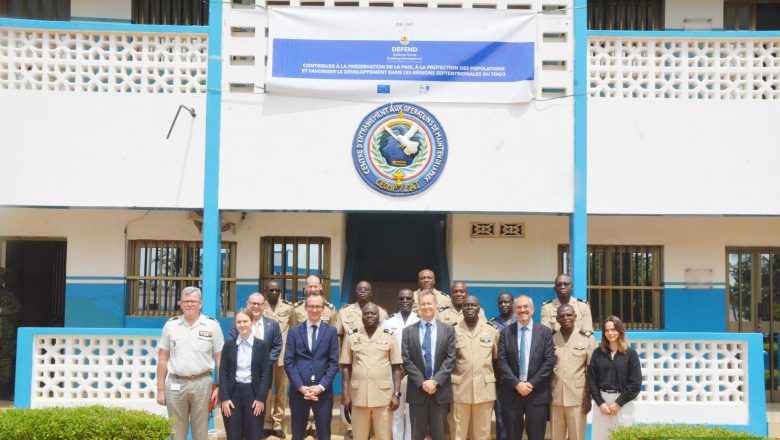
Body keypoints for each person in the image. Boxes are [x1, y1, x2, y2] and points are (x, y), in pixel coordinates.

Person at [157, 286, 224, 440]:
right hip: (175, 383)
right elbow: (163, 359)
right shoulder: (171, 325)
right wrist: (160, 390)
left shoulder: (212, 325)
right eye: (186, 301)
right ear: (180, 303)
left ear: (200, 303)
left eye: (193, 301)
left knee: (200, 432)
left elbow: (220, 359)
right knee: (176, 431)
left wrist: (221, 386)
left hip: (202, 383)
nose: (189, 304)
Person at [341, 303, 403, 440]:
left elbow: (396, 368)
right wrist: (345, 393)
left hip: (383, 398)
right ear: (362, 316)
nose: (369, 316)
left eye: (373, 313)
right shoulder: (351, 336)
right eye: (366, 313)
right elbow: (346, 367)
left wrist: (396, 394)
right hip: (358, 397)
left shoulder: (389, 336)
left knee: (383, 436)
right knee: (359, 436)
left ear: (379, 316)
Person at [497, 295, 555, 440]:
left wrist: (531, 384)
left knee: (537, 436)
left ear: (532, 310)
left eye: (525, 307)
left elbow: (549, 362)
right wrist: (517, 384)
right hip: (512, 393)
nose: (522, 310)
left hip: (537, 393)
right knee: (512, 436)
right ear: (514, 311)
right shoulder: (506, 333)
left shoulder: (544, 332)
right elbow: (502, 362)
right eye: (519, 307)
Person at [401, 289, 456, 440]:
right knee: (416, 435)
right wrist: (422, 382)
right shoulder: (408, 331)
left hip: (440, 392)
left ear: (436, 305)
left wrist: (435, 381)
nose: (426, 307)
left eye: (429, 303)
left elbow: (450, 358)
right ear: (418, 306)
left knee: (439, 435)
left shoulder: (448, 330)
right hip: (417, 391)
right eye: (423, 304)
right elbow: (406, 360)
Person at [284, 293, 339, 440]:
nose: (314, 310)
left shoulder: (331, 331)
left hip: (323, 393)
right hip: (299, 392)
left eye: (318, 306)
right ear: (306, 308)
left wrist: (321, 387)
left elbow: (334, 363)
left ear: (323, 309)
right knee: (297, 434)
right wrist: (300, 387)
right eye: (311, 306)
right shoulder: (294, 331)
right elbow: (289, 361)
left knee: (324, 434)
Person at [450, 295, 499, 440]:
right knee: (458, 433)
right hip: (460, 390)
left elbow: (497, 361)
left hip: (484, 390)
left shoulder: (492, 331)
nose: (470, 308)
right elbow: (448, 361)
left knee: (482, 434)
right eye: (466, 305)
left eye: (473, 305)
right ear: (462, 308)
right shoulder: (453, 330)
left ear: (479, 308)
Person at [587, 316, 642, 440]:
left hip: (623, 401)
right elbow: (591, 380)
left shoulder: (631, 354)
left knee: (624, 437)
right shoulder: (597, 353)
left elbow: (635, 383)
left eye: (613, 329)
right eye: (607, 330)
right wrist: (600, 403)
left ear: (620, 330)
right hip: (602, 402)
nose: (610, 333)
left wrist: (618, 403)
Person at [220, 308, 272, 440]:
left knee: (254, 435)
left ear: (252, 321)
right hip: (233, 395)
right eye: (239, 322)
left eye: (245, 321)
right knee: (233, 435)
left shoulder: (262, 346)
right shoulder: (228, 345)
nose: (242, 325)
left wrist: (261, 398)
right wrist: (224, 398)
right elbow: (223, 372)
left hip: (253, 394)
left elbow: (266, 374)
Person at [551, 304, 595, 440]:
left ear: (575, 317)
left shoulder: (587, 338)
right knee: (556, 437)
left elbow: (592, 370)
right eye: (562, 316)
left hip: (578, 398)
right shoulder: (551, 338)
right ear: (557, 319)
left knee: (577, 437)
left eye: (569, 315)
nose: (566, 318)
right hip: (555, 397)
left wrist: (588, 397)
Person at [382, 288, 420, 440]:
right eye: (402, 298)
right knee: (396, 411)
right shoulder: (388, 322)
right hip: (393, 372)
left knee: (412, 413)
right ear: (397, 301)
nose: (405, 301)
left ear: (413, 301)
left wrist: (409, 366)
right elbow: (383, 347)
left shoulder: (419, 321)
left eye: (408, 298)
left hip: (413, 373)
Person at [262, 280, 296, 439]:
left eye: (277, 290)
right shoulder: (260, 307)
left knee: (281, 391)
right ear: (266, 291)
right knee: (266, 391)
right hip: (265, 357)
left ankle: (277, 423)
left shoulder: (288, 308)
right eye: (271, 290)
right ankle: (266, 423)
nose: (275, 292)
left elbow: (293, 331)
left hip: (284, 356)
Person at [228, 292, 283, 366]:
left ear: (264, 305)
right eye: (253, 303)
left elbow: (277, 346)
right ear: (247, 304)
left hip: (265, 369)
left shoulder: (273, 325)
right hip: (241, 367)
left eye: (259, 304)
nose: (256, 306)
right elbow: (232, 344)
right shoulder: (237, 324)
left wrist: (266, 363)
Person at [489, 292, 515, 440]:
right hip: (500, 379)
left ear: (513, 303)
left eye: (506, 302)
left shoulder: (520, 321)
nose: (503, 305)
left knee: (517, 420)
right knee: (501, 420)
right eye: (501, 302)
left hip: (519, 378)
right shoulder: (492, 324)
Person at [0, 268, 21, 400]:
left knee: (6, 366)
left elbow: (17, 308)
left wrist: (2, 310)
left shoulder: (8, 295)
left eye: (1, 277)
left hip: (6, 339)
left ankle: (3, 393)